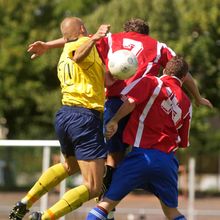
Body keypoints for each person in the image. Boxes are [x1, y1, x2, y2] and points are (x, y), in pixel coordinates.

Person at [26, 18, 212, 220]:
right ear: (146, 32)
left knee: (112, 159)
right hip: (141, 107)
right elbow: (184, 73)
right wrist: (197, 97)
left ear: (126, 30)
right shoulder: (159, 47)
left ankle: (107, 208)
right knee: (146, 147)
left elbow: (75, 39)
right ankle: (118, 200)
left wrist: (47, 45)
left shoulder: (112, 39)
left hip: (115, 104)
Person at [9, 17, 110, 220]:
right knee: (93, 187)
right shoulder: (84, 43)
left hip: (65, 115)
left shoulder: (66, 48)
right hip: (85, 117)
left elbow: (69, 42)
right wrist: (95, 38)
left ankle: (25, 202)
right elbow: (80, 56)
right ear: (83, 29)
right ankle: (45, 217)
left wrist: (47, 45)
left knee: (70, 166)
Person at [86, 56, 192, 220]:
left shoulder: (151, 82)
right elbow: (183, 142)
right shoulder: (187, 102)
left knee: (105, 205)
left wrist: (114, 120)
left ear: (164, 70)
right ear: (184, 78)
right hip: (167, 161)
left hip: (141, 157)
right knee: (172, 213)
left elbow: (130, 101)